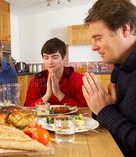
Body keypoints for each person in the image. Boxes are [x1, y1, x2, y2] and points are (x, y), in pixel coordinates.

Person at [82, 0, 136, 156]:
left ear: (125, 29)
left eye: (98, 37)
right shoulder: (119, 69)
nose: (93, 47)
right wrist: (104, 109)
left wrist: (105, 110)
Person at [24, 37, 87, 107]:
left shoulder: (78, 79)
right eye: (46, 57)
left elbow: (85, 109)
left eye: (55, 57)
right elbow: (27, 109)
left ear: (64, 58)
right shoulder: (36, 81)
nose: (50, 62)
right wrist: (47, 96)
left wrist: (59, 94)